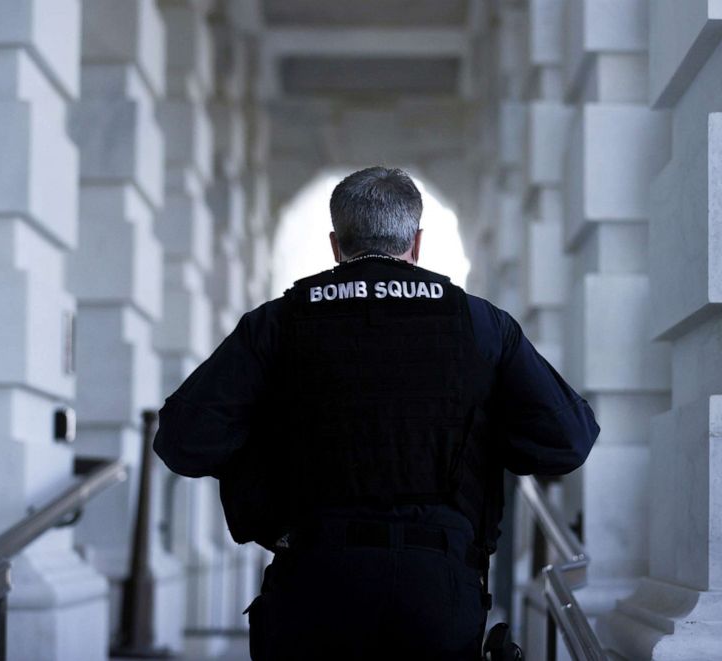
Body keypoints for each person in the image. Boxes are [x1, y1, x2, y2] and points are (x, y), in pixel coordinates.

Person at [154, 167, 600, 660]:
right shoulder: (480, 324)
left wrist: (265, 455)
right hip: (438, 586)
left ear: (335, 244)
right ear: (416, 242)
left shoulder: (278, 323)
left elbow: (183, 441)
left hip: (314, 576)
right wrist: (484, 429)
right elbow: (568, 440)